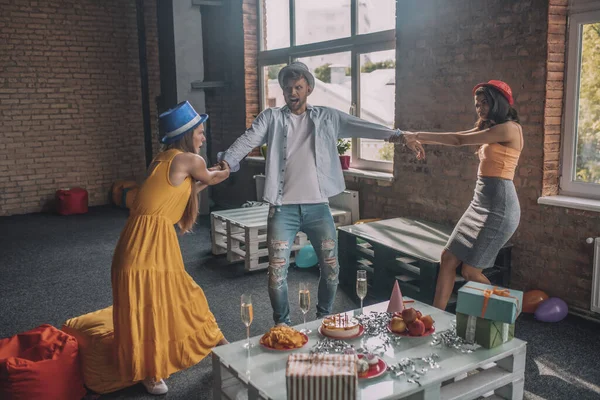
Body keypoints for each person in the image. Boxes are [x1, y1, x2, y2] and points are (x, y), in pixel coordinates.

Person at [216, 62, 424, 325]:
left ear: (309, 89)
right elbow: (248, 139)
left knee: (331, 270)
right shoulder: (271, 118)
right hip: (283, 210)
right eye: (288, 88)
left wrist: (398, 135)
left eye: (298, 87)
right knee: (276, 273)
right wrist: (228, 160)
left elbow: (361, 126)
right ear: (283, 90)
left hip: (318, 209)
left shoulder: (328, 117)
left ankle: (322, 317)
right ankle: (282, 324)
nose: (293, 92)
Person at [111, 101, 230, 395]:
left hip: (137, 242)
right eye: (200, 132)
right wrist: (224, 171)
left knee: (177, 295)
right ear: (188, 134)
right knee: (153, 305)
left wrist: (211, 177)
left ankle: (216, 340)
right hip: (148, 245)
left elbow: (187, 191)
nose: (203, 137)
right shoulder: (189, 160)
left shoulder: (163, 159)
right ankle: (150, 372)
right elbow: (211, 176)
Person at [401, 80, 523, 310]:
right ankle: (436, 317)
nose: (480, 108)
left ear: (499, 102)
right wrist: (416, 138)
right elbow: (458, 135)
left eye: (485, 102)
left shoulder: (509, 129)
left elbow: (458, 140)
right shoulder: (490, 128)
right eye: (477, 104)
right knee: (448, 258)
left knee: (470, 271)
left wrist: (415, 133)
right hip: (480, 202)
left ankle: (509, 306)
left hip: (500, 206)